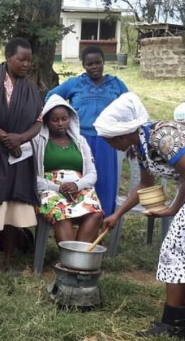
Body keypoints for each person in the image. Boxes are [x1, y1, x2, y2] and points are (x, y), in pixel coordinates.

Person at [96, 92, 185, 340]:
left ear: (125, 132)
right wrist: (117, 214)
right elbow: (145, 186)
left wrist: (172, 209)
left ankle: (173, 324)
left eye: (110, 139)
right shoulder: (140, 146)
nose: (109, 144)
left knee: (174, 247)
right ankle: (182, 317)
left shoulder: (162, 137)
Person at [0, 37, 43, 270]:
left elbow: (38, 122)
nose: (26, 64)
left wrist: (20, 138)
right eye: (21, 59)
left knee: (16, 205)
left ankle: (7, 260)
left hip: (20, 153)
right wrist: (5, 136)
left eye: (29, 60)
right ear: (8, 57)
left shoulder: (31, 89)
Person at [46, 45, 129, 216]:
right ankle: (78, 217)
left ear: (104, 62)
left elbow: (130, 105)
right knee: (80, 178)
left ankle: (102, 221)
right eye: (90, 64)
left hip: (108, 140)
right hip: (80, 140)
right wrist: (62, 118)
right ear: (83, 65)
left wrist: (124, 130)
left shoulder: (116, 84)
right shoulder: (75, 84)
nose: (94, 67)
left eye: (98, 63)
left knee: (105, 181)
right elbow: (51, 98)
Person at [33, 94, 103, 244]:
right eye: (55, 120)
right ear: (46, 121)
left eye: (64, 119)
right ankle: (69, 261)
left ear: (70, 119)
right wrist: (57, 188)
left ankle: (79, 258)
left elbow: (92, 174)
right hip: (49, 190)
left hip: (79, 188)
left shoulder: (80, 141)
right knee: (61, 213)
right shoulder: (39, 142)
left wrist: (77, 185)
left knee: (95, 213)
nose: (60, 123)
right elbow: (32, 177)